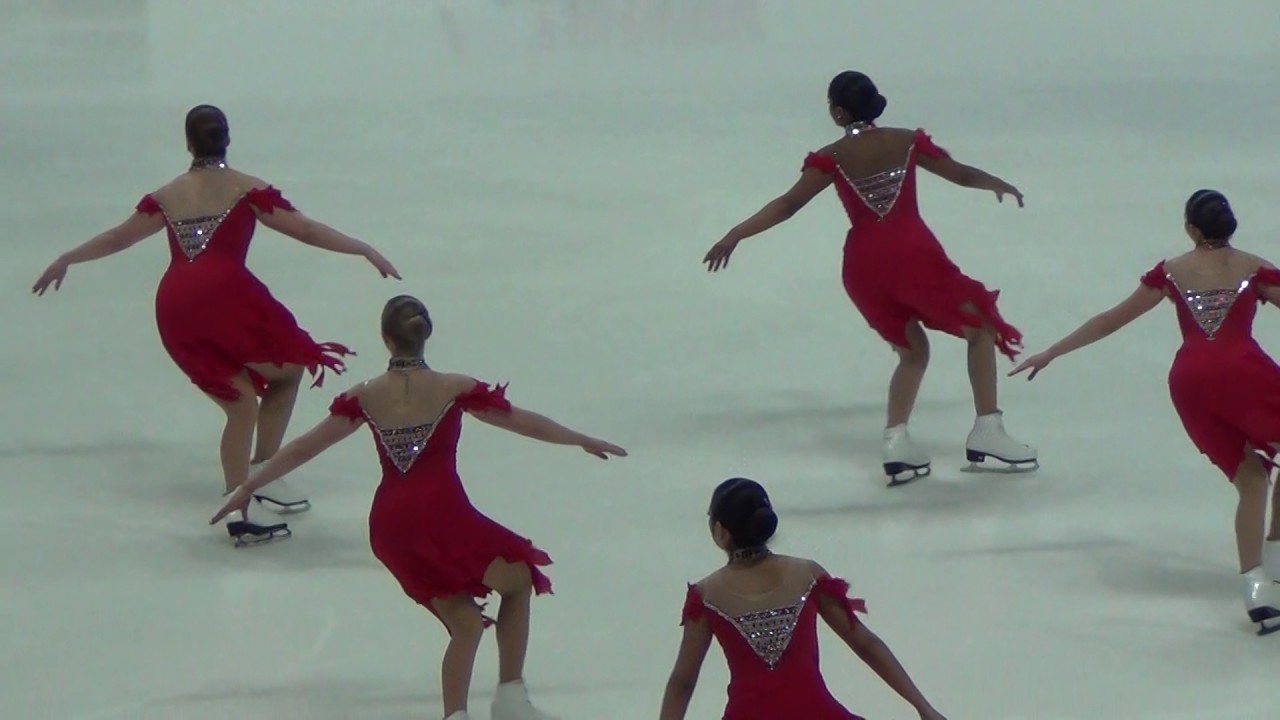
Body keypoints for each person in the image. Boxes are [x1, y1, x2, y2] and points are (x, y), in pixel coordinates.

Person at [210, 294, 628, 720]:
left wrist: (247, 486)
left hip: (391, 526)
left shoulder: (365, 396)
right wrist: (579, 438)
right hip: (442, 515)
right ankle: (510, 699)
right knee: (519, 580)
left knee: (465, 625)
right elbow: (522, 421)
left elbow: (302, 447)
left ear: (387, 340)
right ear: (425, 335)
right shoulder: (453, 388)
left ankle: (457, 716)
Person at [32, 105, 400, 546]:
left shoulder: (169, 195)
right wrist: (361, 248)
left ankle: (241, 505)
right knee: (290, 369)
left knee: (240, 404)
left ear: (188, 143)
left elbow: (117, 237)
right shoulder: (246, 188)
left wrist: (67, 257)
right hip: (228, 298)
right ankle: (262, 475)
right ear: (227, 139)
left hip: (177, 305)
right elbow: (303, 229)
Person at [703, 71, 1036, 485]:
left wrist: (737, 233)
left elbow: (788, 204)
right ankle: (988, 429)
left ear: (838, 111)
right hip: (914, 253)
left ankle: (896, 441)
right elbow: (961, 174)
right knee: (981, 326)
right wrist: (994, 183)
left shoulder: (833, 156)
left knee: (912, 351)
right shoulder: (906, 141)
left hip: (863, 267)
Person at [1011, 190, 1280, 635]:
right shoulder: (1253, 268)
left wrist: (1053, 351)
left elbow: (1111, 319)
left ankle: (1256, 587)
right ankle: (1274, 552)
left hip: (1191, 382)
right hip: (1246, 373)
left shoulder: (1172, 272)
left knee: (1250, 481)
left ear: (1191, 229)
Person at [659, 477, 947, 720]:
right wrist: (923, 707)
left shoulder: (706, 595)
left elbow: (683, 682)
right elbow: (866, 644)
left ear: (720, 531)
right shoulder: (806, 574)